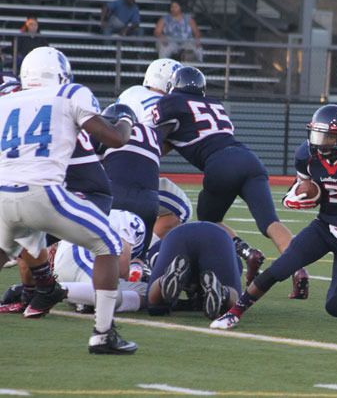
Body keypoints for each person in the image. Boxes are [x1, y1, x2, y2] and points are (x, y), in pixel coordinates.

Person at [210, 104, 337, 330]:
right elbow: (305, 186)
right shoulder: (306, 155)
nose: (320, 142)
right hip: (323, 228)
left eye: (328, 137)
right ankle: (235, 312)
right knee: (279, 269)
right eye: (317, 135)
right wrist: (295, 195)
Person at [0, 46, 136, 354]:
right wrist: (125, 118)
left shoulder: (6, 101)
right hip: (43, 192)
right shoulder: (70, 93)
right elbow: (115, 139)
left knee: (4, 250)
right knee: (109, 244)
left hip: (4, 195)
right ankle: (103, 334)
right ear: (61, 74)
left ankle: (43, 288)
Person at [153, 66, 308, 293]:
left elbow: (156, 141)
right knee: (270, 223)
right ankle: (298, 269)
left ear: (173, 86)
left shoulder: (169, 103)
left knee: (208, 219)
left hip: (219, 164)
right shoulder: (216, 104)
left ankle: (246, 251)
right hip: (249, 159)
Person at [117, 59, 263, 273]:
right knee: (181, 209)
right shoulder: (168, 104)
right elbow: (154, 143)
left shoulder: (129, 95)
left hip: (107, 169)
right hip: (132, 175)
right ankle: (140, 258)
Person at [95, 103, 160, 260]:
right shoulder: (153, 135)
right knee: (138, 257)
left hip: (116, 193)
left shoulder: (112, 134)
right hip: (150, 200)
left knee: (107, 252)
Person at [146, 222, 241, 319]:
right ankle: (223, 292)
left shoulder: (158, 248)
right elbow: (237, 265)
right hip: (217, 236)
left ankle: (162, 281)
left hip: (177, 237)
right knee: (234, 302)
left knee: (155, 304)